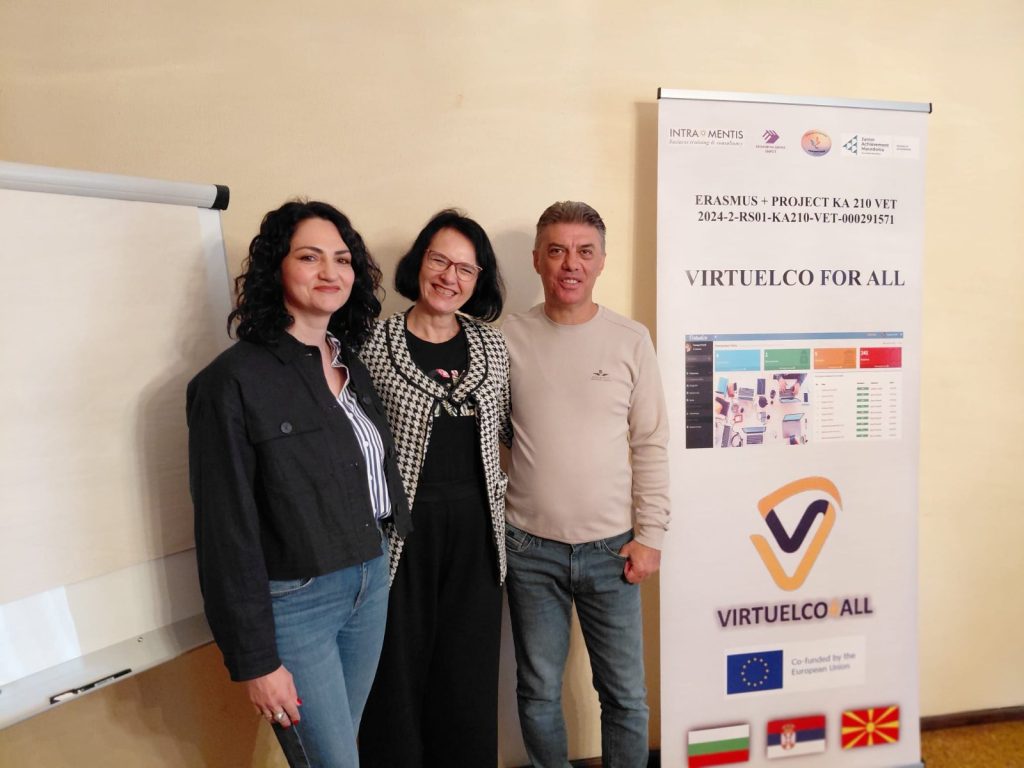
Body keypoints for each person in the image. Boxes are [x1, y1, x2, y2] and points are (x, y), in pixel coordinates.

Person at [186, 200, 411, 768]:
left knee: (341, 748)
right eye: (310, 257)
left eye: (342, 259)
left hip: (369, 580)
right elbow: (225, 533)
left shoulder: (349, 362)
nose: (330, 271)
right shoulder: (230, 383)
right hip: (296, 603)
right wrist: (256, 661)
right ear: (276, 269)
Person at [502, 201, 670, 768]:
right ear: (537, 260)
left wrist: (651, 536)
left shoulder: (630, 339)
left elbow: (650, 443)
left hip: (613, 551)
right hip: (529, 549)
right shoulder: (505, 339)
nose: (570, 263)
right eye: (556, 250)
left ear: (601, 261)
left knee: (624, 696)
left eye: (584, 251)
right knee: (537, 691)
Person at [358, 209, 510, 767]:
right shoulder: (370, 342)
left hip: (478, 540)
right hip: (400, 540)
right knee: (395, 679)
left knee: (467, 681)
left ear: (478, 280)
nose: (450, 277)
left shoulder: (493, 346)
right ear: (419, 262)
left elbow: (510, 430)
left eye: (465, 269)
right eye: (440, 260)